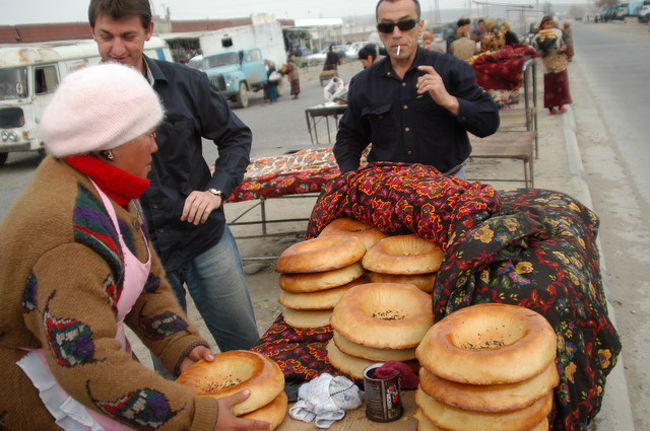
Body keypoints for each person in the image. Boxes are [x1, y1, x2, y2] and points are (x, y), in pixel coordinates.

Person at [0, 63, 270, 431]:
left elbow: (142, 283)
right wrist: (198, 418)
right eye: (148, 133)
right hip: (48, 396)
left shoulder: (106, 189)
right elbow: (87, 361)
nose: (156, 145)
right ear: (111, 143)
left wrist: (179, 344)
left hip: (89, 377)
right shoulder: (68, 233)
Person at [88, 0, 260, 363]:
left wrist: (216, 190)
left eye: (128, 36)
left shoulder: (187, 84)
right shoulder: (84, 102)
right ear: (93, 33)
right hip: (143, 258)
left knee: (246, 349)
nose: (117, 49)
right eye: (106, 37)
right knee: (174, 366)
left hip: (205, 240)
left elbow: (235, 137)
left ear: (149, 32)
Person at [334, 0, 499, 180]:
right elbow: (349, 137)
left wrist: (449, 101)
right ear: (379, 32)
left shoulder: (450, 69)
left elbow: (489, 122)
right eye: (387, 27)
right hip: (390, 192)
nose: (396, 34)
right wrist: (349, 178)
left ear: (419, 27)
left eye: (405, 24)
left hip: (449, 186)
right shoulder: (364, 83)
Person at [532, 16, 572, 114]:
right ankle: (550, 107)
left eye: (551, 23)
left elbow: (563, 44)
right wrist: (543, 50)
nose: (549, 26)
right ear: (543, 25)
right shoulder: (537, 37)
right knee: (550, 85)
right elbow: (537, 52)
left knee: (562, 83)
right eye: (547, 24)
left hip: (559, 60)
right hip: (548, 62)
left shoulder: (557, 33)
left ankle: (561, 105)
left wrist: (563, 48)